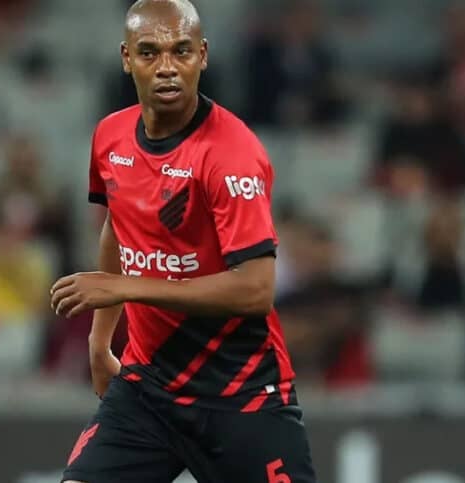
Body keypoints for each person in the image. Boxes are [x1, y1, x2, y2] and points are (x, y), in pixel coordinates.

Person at [49, 1, 317, 481]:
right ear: (127, 58)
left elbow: (255, 291)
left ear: (204, 56)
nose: (168, 68)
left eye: (182, 51)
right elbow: (119, 224)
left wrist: (128, 287)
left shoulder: (231, 155)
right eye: (150, 53)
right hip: (148, 390)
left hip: (241, 394)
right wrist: (99, 340)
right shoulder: (110, 138)